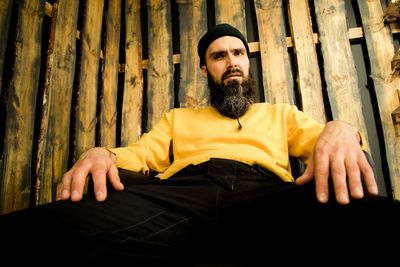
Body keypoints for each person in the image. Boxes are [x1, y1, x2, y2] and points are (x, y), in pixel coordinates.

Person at [1, 24, 399, 265]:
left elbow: (322, 145)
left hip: (263, 196)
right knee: (41, 228)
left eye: (238, 53)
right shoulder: (179, 118)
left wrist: (344, 128)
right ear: (206, 69)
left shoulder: (281, 114)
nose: (232, 62)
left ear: (248, 61)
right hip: (178, 197)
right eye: (219, 56)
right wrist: (101, 153)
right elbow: (141, 155)